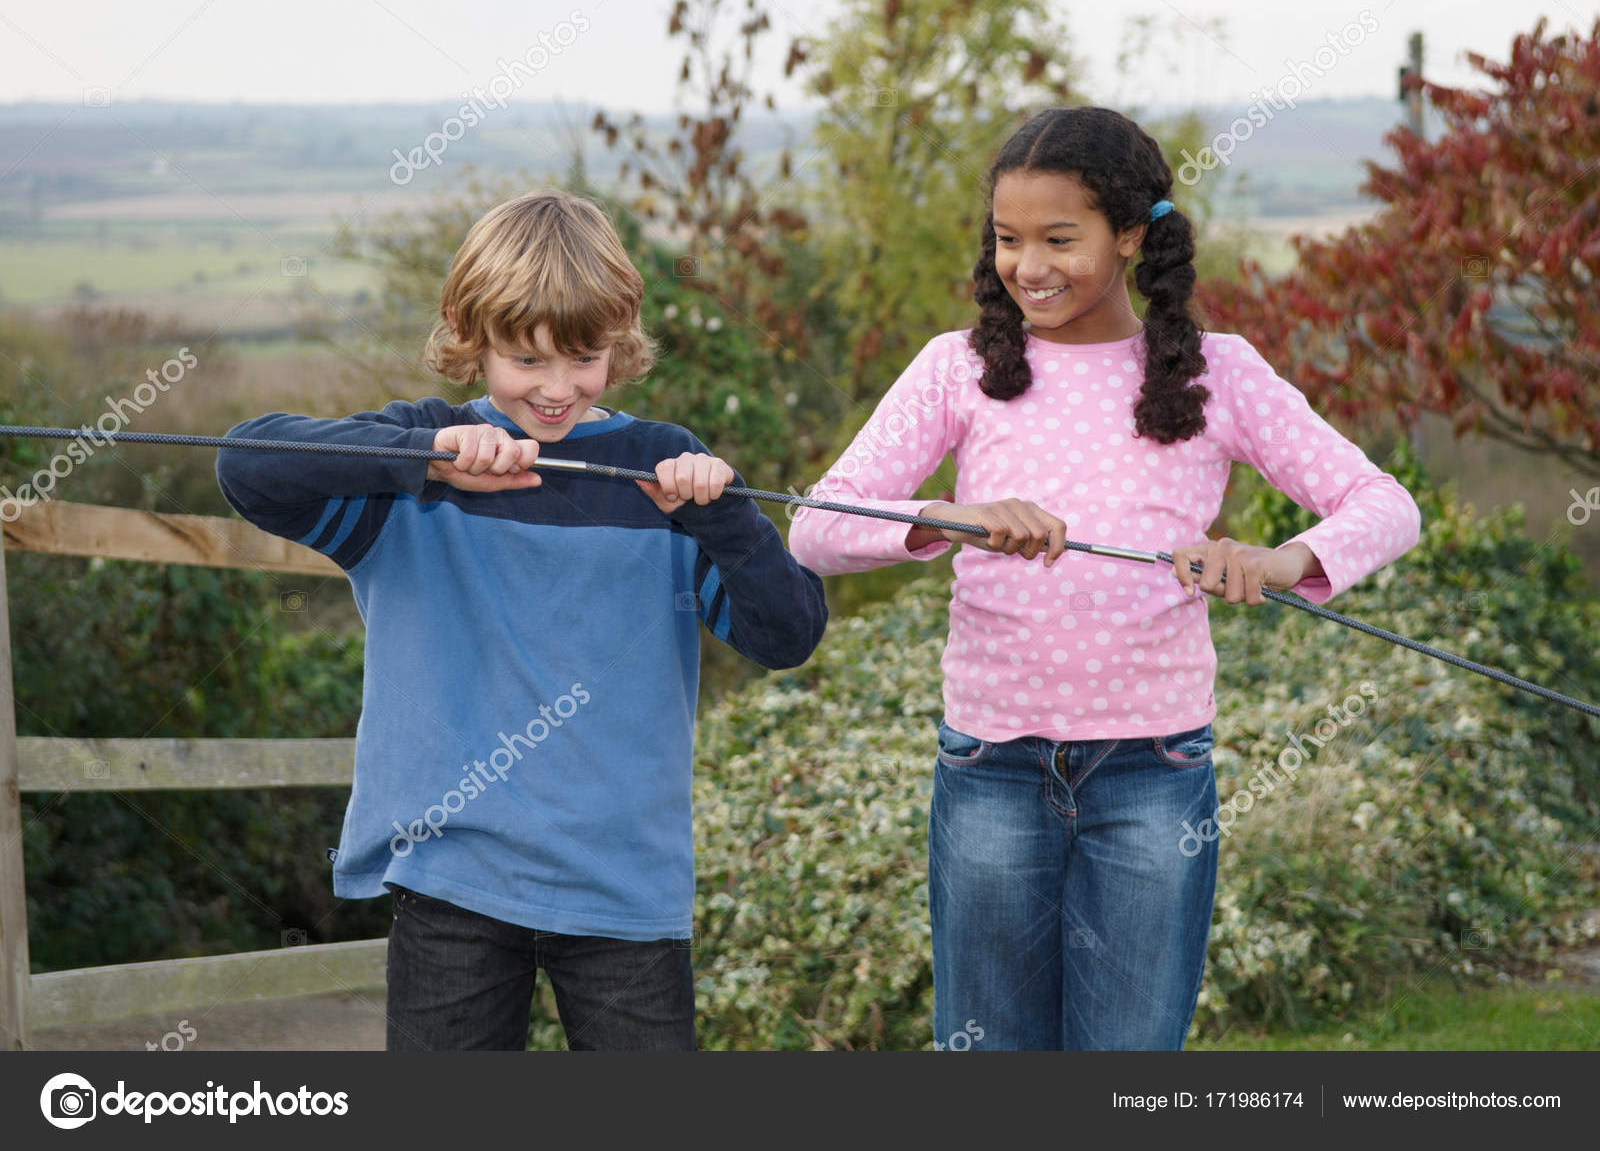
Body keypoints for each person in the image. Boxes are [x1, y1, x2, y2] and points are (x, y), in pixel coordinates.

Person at [787, 107, 1420, 1050]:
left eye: (1058, 239)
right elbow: (814, 528)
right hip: (991, 765)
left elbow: (1384, 503)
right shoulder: (954, 371)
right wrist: (947, 518)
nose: (1028, 266)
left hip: (1153, 773)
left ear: (1129, 236)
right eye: (1007, 239)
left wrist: (1282, 560)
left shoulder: (1219, 375)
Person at [217, 189, 827, 1051]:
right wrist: (423, 463)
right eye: (525, 359)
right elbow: (246, 463)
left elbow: (788, 634)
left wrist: (722, 514)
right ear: (472, 339)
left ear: (620, 339)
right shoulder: (419, 460)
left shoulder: (662, 469)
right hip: (449, 877)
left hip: (628, 891)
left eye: (583, 358)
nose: (555, 389)